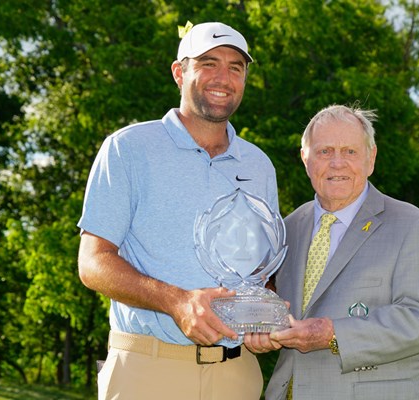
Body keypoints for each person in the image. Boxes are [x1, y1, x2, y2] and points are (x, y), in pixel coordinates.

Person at [77, 21, 277, 400]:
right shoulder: (128, 148)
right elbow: (92, 262)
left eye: (236, 67)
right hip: (147, 371)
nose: (223, 77)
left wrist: (266, 309)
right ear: (179, 72)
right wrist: (177, 302)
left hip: (237, 373)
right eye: (208, 63)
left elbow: (260, 270)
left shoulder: (259, 165)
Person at [245, 105, 419, 399]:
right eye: (325, 151)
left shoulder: (414, 226)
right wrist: (261, 332)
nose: (337, 163)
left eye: (350, 152)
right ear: (305, 159)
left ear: (371, 158)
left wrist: (333, 334)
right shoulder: (285, 229)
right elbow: (278, 308)